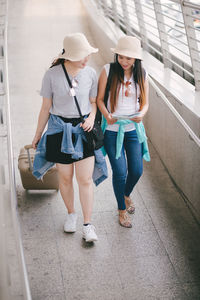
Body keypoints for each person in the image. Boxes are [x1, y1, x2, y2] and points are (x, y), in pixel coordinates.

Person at [32, 33, 104, 242]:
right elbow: (46, 107)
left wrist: (92, 118)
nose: (86, 59)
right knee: (65, 178)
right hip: (58, 129)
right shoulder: (52, 75)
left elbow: (92, 103)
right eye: (82, 55)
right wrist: (38, 134)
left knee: (85, 179)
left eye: (87, 54)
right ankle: (71, 214)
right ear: (69, 55)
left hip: (83, 129)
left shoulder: (90, 73)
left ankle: (88, 224)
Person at [97, 35, 150, 228]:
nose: (124, 61)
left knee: (136, 170)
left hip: (133, 129)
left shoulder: (142, 73)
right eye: (121, 57)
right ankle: (121, 209)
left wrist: (141, 114)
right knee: (120, 172)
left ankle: (126, 194)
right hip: (112, 130)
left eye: (129, 58)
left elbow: (145, 104)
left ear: (136, 59)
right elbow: (100, 100)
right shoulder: (108, 70)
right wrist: (107, 115)